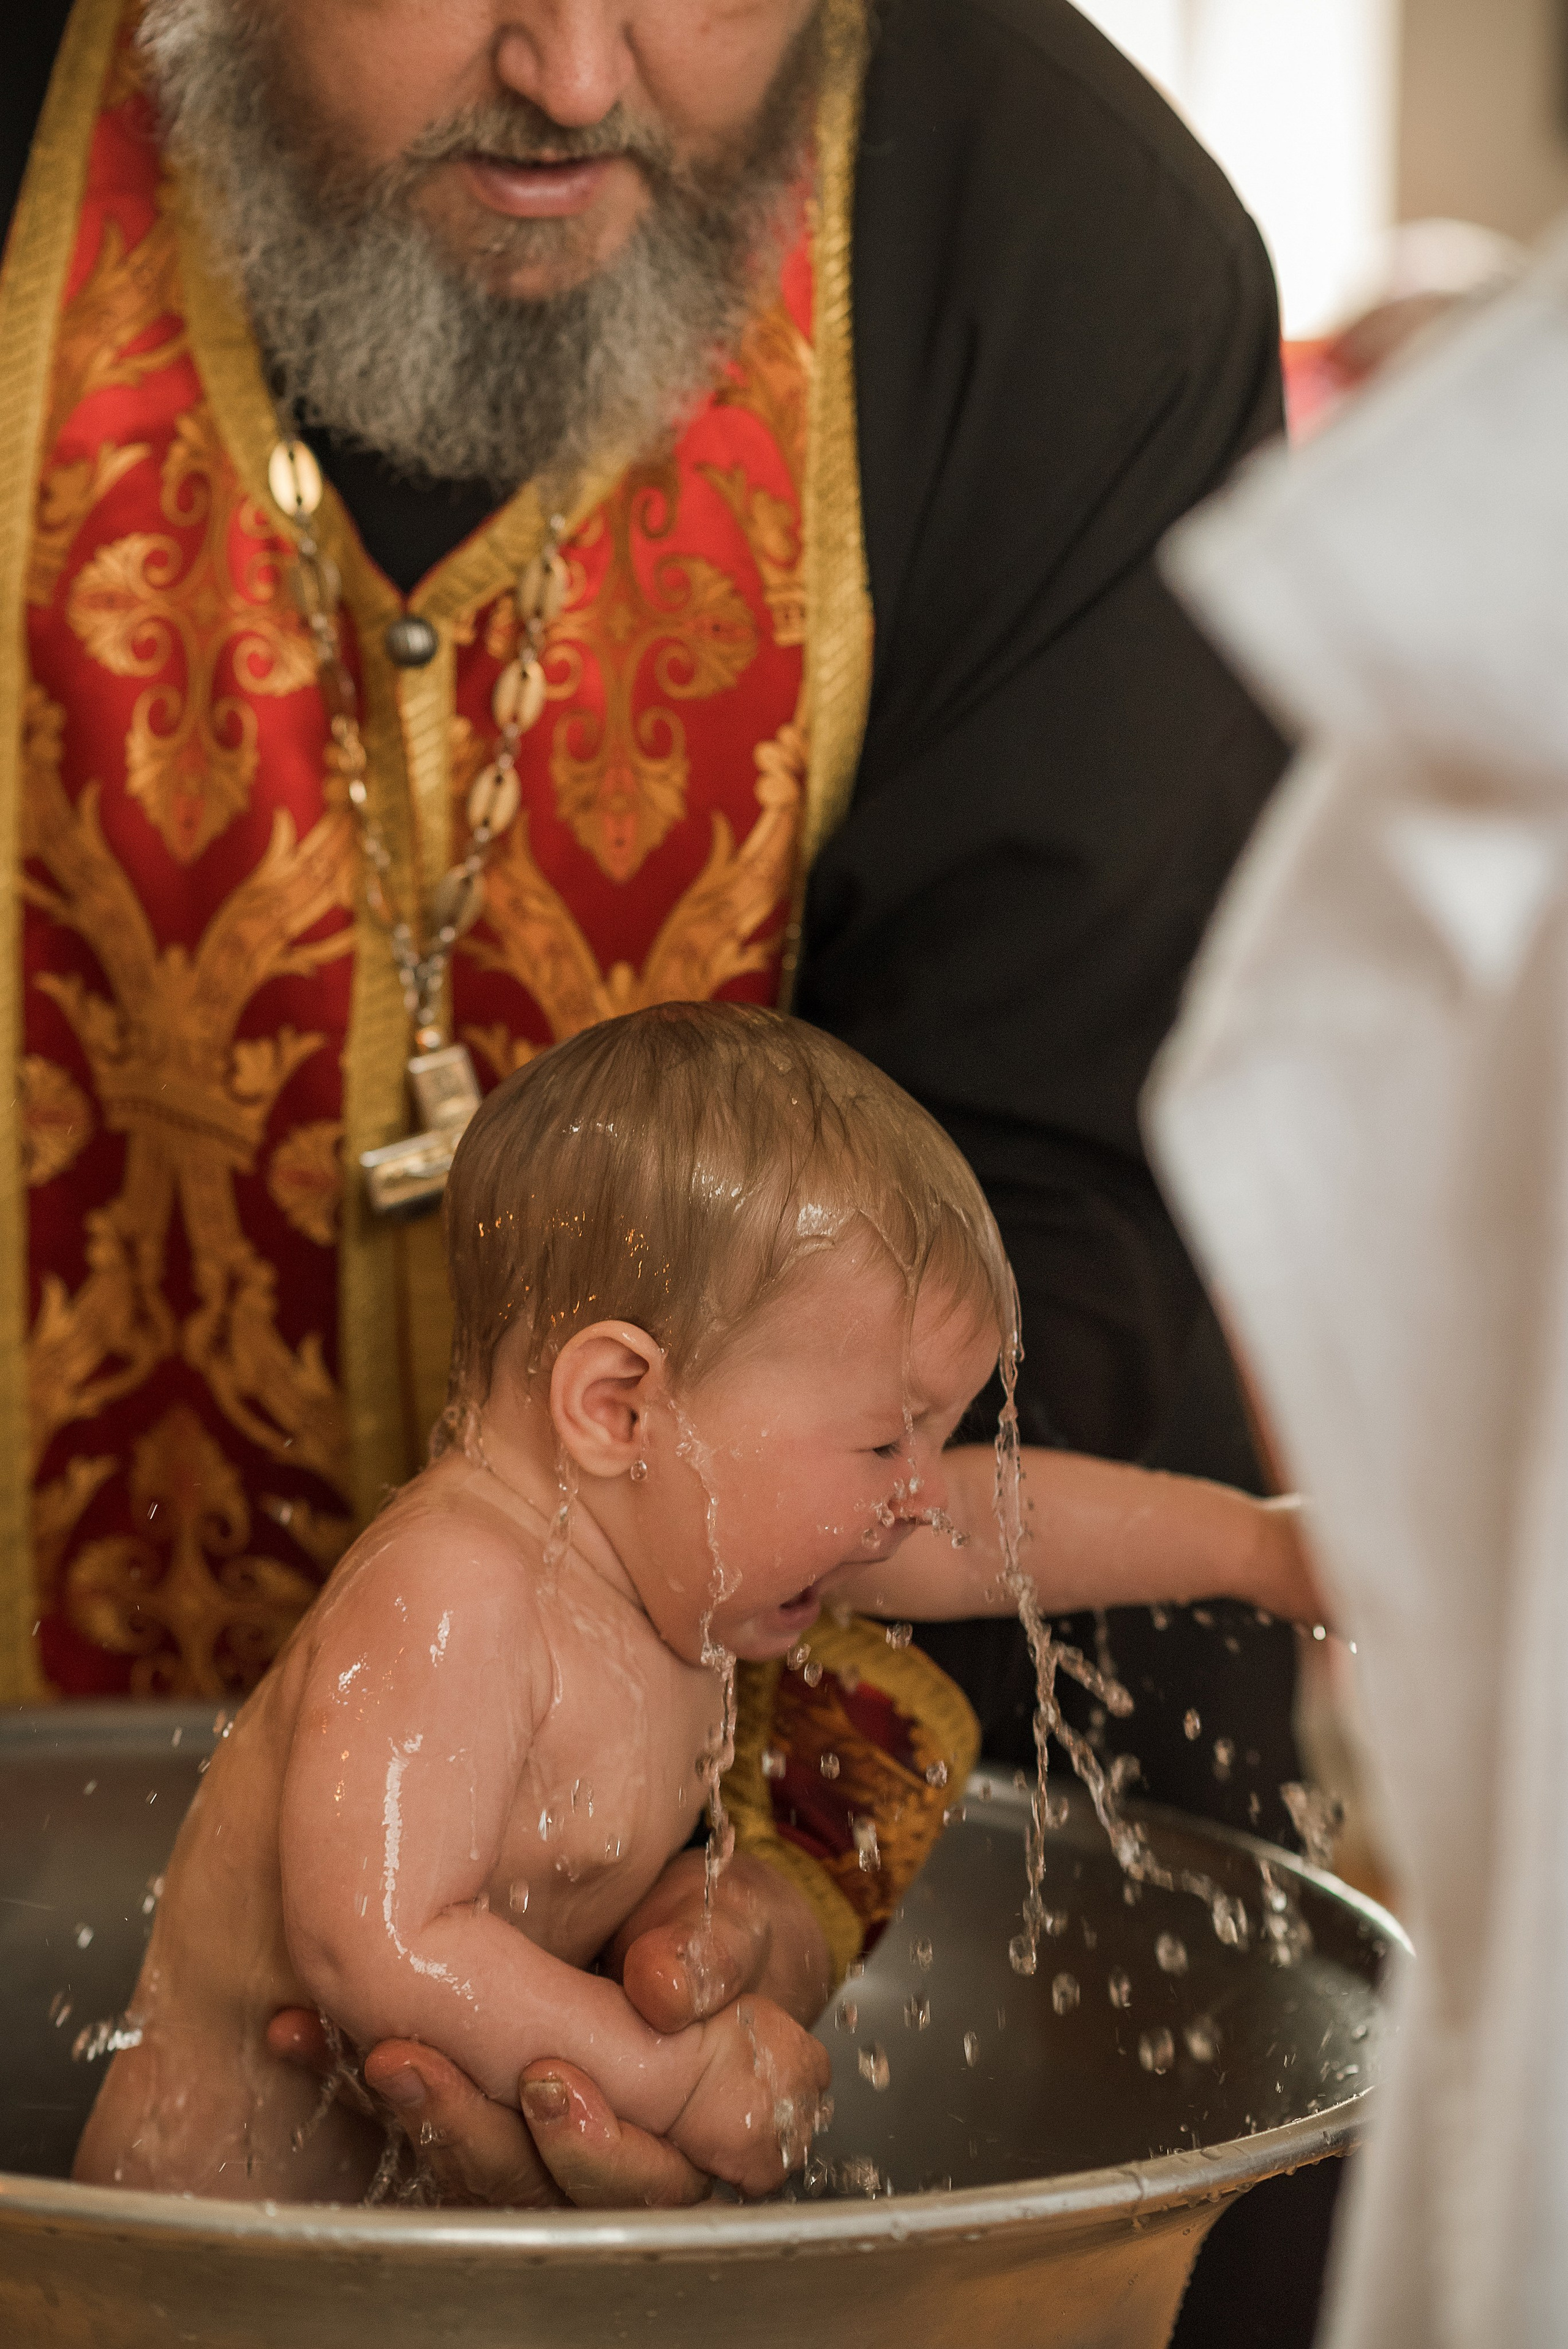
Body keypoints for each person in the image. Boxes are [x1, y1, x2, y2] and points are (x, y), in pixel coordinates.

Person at [2, 0, 1313, 2294]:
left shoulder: (1072, 262)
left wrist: (784, 1886)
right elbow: (379, 1933)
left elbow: (1038, 1259)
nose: (580, 76)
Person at [75, 1004, 1321, 2200]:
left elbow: (981, 1520)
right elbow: (376, 1947)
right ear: (619, 1406)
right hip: (198, 2264)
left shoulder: (682, 1533)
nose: (911, 1497)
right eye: (883, 1446)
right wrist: (668, 2079)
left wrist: (1257, 1549)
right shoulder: (454, 1594)